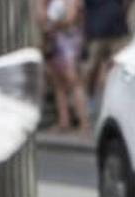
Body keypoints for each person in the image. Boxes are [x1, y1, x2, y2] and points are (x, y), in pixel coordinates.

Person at [40, 0, 91, 133]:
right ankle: (64, 121)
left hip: (68, 45)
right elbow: (41, 18)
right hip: (57, 44)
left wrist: (53, 25)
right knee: (58, 84)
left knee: (73, 81)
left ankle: (84, 122)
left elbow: (71, 19)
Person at [84, 0, 132, 100]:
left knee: (109, 66)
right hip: (100, 32)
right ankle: (90, 97)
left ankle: (100, 97)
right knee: (93, 67)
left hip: (115, 31)